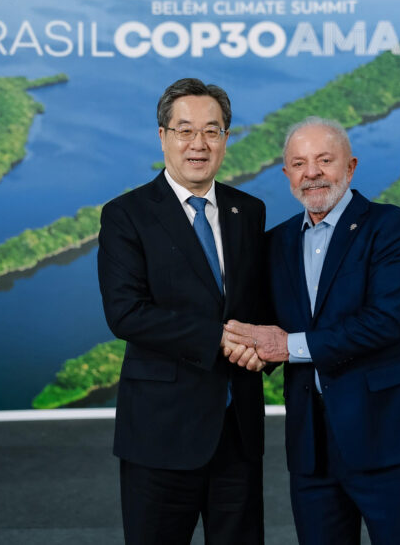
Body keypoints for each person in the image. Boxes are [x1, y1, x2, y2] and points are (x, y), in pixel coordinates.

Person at [223, 116, 400, 544]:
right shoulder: (275, 243)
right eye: (299, 163)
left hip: (387, 436)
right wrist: (236, 343)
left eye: (325, 160)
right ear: (286, 173)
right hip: (312, 448)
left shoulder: (390, 226)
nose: (312, 173)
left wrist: (285, 346)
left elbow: (383, 322)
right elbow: (260, 328)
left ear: (351, 166)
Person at [98, 78, 268, 545]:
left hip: (237, 433)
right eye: (185, 130)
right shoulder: (126, 214)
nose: (199, 144)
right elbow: (126, 313)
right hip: (161, 434)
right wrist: (219, 338)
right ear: (162, 137)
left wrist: (264, 347)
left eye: (212, 131)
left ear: (226, 140)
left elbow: (258, 304)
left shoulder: (248, 211)